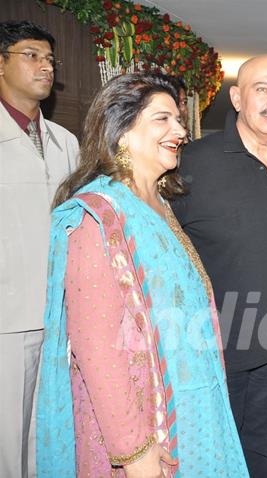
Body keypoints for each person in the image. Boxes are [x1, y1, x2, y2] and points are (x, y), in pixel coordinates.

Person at [35, 72, 247, 477]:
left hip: (191, 407)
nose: (180, 131)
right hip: (144, 424)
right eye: (162, 119)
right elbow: (97, 349)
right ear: (122, 131)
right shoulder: (99, 216)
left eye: (179, 120)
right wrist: (135, 453)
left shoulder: (160, 204)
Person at [172, 55, 267, 478]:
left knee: (264, 447)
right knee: (214, 452)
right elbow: (164, 248)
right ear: (236, 98)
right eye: (263, 89)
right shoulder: (191, 161)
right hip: (210, 344)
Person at [0, 20, 78, 478]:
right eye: (32, 55)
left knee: (45, 433)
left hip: (58, 315)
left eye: (50, 58)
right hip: (7, 319)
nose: (45, 66)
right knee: (6, 439)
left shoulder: (65, 143)